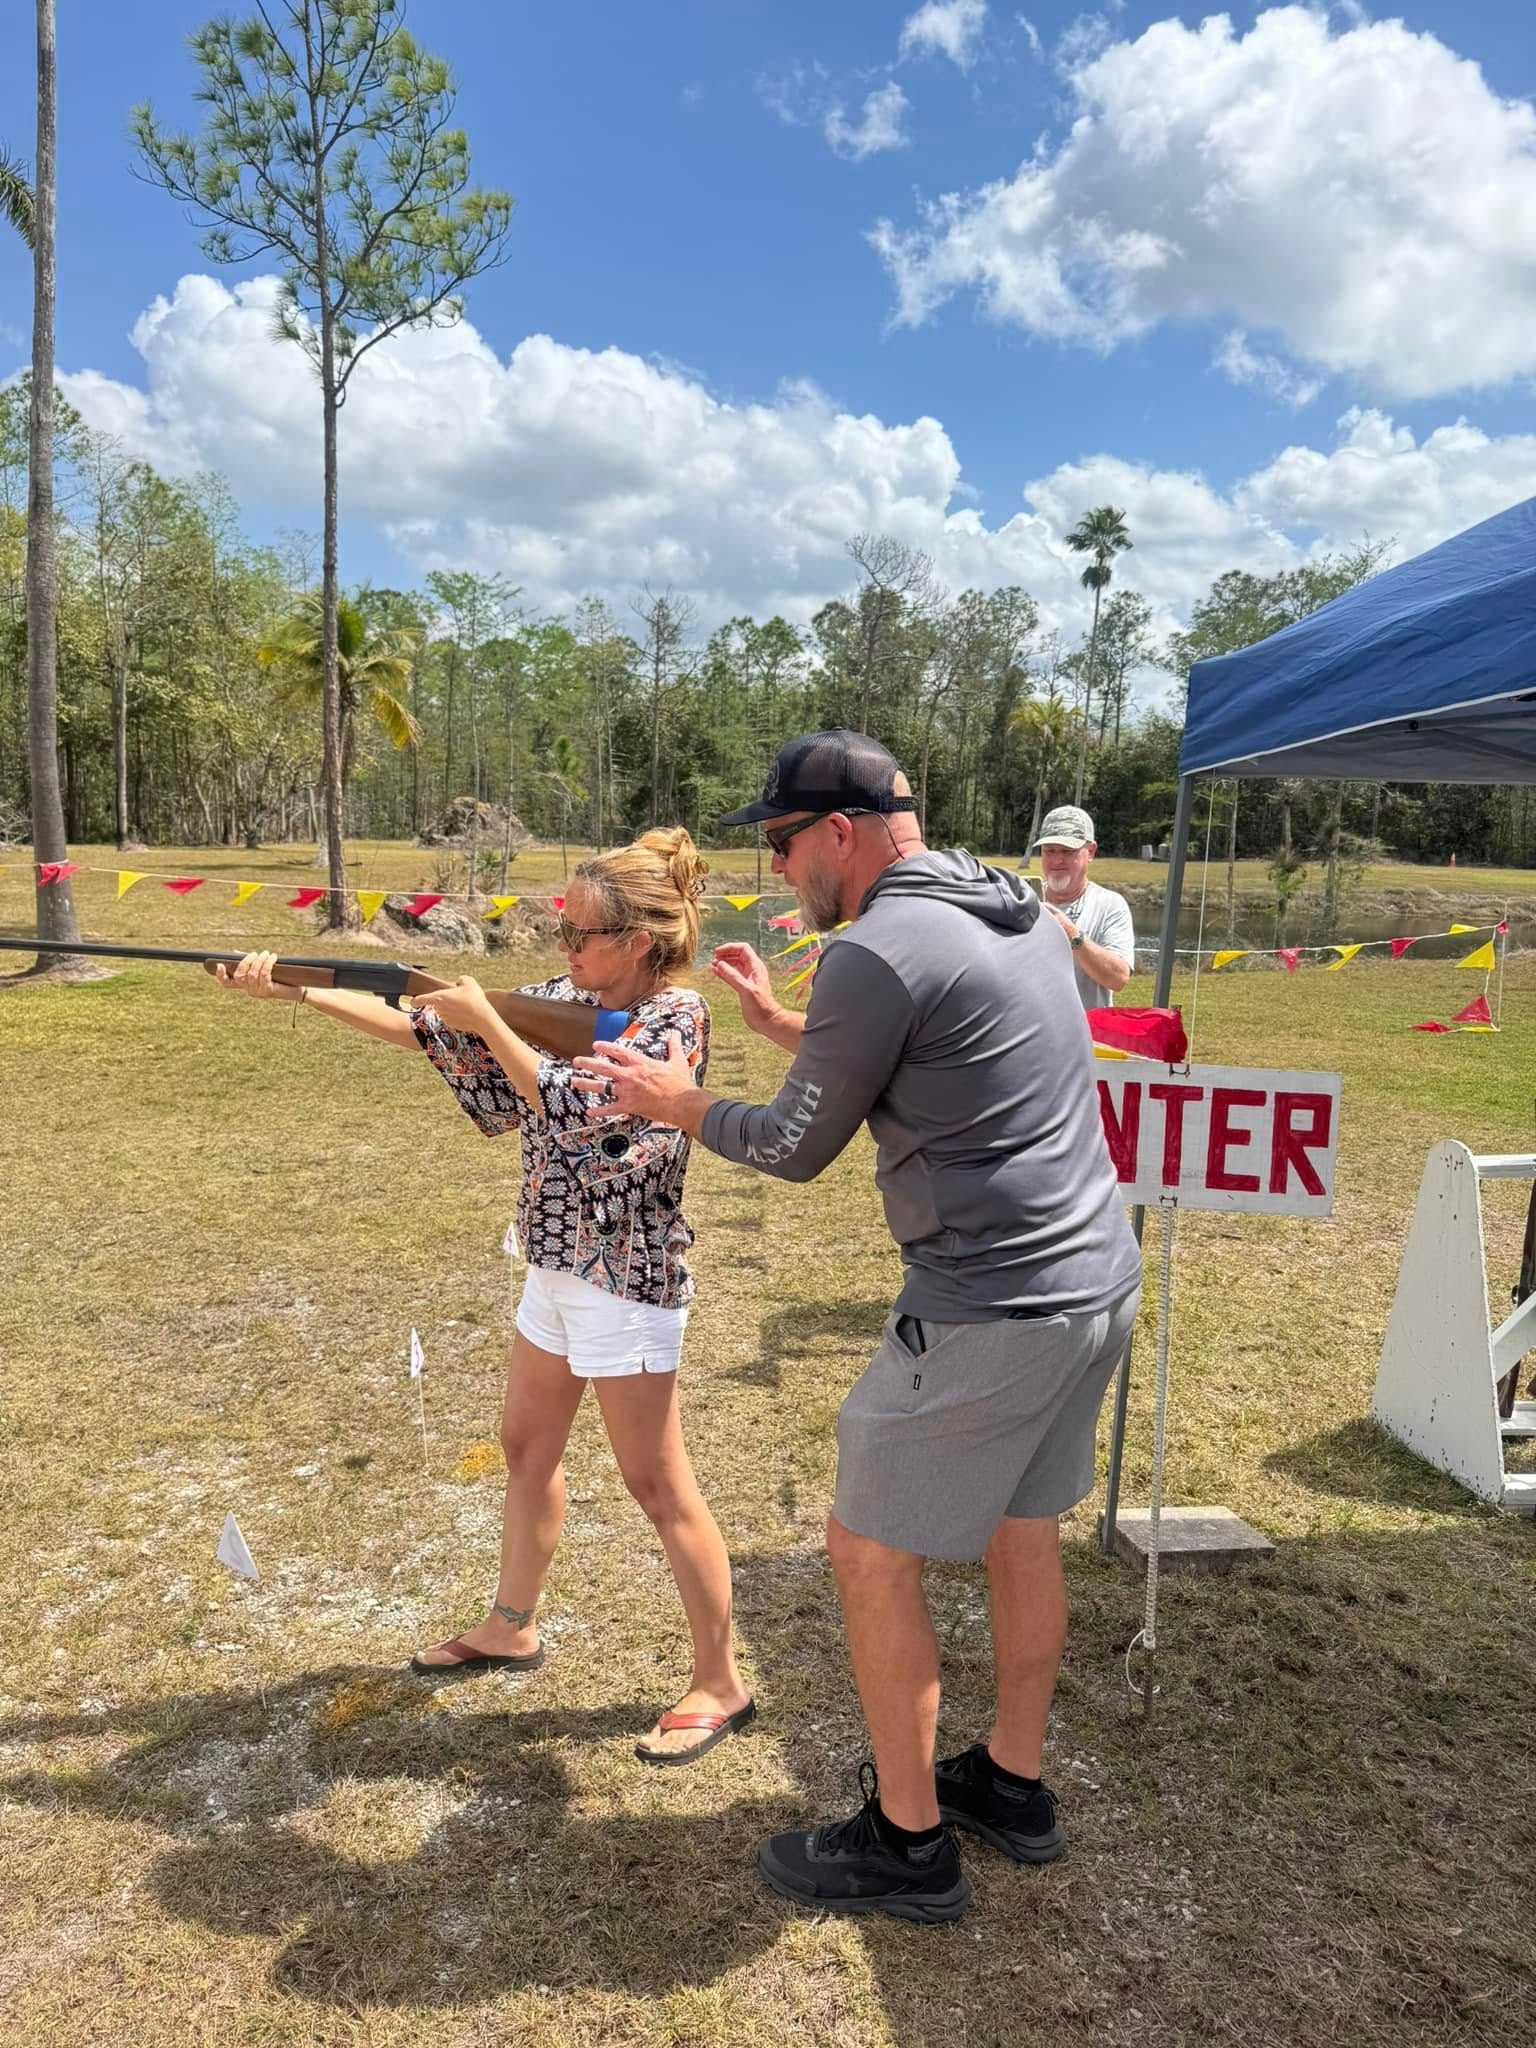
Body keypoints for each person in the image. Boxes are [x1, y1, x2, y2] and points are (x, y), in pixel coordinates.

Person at [576, 732, 1142, 1921]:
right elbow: (909, 1061)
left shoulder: (879, 947)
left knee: (870, 1549)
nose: (777, 869)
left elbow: (795, 1143)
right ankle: (1014, 1783)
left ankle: (906, 1840)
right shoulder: (1009, 908)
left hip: (991, 1302)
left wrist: (681, 1103)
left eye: (782, 843)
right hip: (1094, 1280)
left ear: (841, 831)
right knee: (1022, 1529)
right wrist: (782, 1019)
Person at [215, 828, 753, 1766]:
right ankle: (512, 1625)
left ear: (636, 940)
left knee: (657, 1484)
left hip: (625, 1277)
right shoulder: (564, 1000)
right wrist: (297, 988)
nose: (564, 950)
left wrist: (491, 1022)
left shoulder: (676, 1020)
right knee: (525, 1448)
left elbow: (581, 1112)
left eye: (580, 934)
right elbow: (421, 1026)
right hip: (553, 1261)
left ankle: (721, 1681)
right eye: (560, 930)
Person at [1030, 804, 1136, 1009]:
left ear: (1091, 851)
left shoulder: (1110, 905)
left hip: (1085, 1038)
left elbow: (1118, 978)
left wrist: (1072, 935)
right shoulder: (1024, 900)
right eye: (1049, 851)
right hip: (1027, 1037)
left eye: (1067, 851)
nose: (1056, 860)